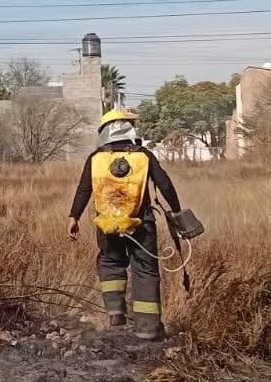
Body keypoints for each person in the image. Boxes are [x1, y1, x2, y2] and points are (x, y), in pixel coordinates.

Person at [66, 108, 183, 341]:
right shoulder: (143, 156)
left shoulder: (96, 158)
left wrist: (74, 217)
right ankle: (148, 328)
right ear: (128, 129)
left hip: (107, 225)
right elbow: (165, 185)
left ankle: (115, 315)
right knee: (145, 270)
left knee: (110, 263)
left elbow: (84, 189)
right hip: (142, 224)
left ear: (105, 131)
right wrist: (176, 212)